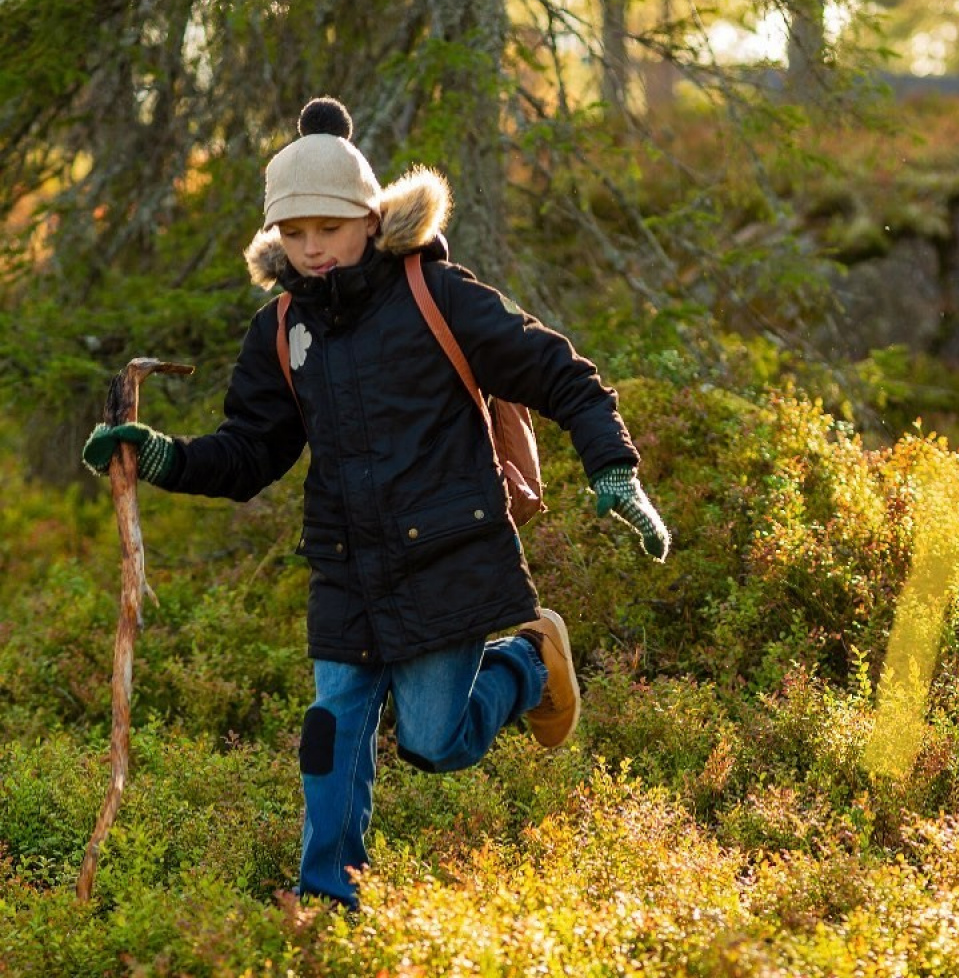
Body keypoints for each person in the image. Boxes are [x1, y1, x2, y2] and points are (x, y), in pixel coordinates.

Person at [82, 97, 669, 909]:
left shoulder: (437, 296)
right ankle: (329, 901)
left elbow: (561, 374)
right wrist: (161, 457)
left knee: (434, 745)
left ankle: (527, 661)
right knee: (331, 732)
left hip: (448, 557)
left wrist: (614, 470)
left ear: (367, 215)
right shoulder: (281, 328)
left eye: (327, 227)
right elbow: (252, 452)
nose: (311, 248)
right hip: (346, 566)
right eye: (292, 233)